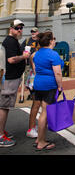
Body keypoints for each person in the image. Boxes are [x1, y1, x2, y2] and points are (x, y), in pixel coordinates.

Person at [0, 19, 30, 147]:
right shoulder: (10, 42)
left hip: (11, 78)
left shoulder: (12, 41)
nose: (19, 30)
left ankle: (1, 131)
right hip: (9, 78)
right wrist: (24, 57)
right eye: (17, 28)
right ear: (11, 29)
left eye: (21, 28)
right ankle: (0, 136)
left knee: (5, 106)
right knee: (4, 106)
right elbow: (11, 60)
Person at [33, 32, 63, 151]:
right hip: (49, 84)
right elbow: (58, 73)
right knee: (45, 112)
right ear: (50, 41)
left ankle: (40, 137)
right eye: (53, 39)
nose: (54, 41)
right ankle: (41, 141)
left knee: (42, 111)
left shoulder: (37, 53)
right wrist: (60, 86)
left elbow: (35, 69)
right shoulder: (53, 54)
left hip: (38, 83)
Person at [20, 27, 40, 138]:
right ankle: (32, 128)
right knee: (37, 104)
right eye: (32, 32)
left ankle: (33, 127)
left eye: (35, 32)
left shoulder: (36, 54)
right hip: (35, 79)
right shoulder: (29, 43)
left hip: (34, 79)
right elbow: (36, 70)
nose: (33, 33)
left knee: (36, 104)